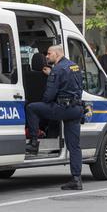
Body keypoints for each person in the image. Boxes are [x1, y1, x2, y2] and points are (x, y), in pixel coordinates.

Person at [25, 45, 85, 190]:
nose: (46, 56)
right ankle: (76, 180)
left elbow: (48, 96)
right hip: (76, 109)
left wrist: (46, 100)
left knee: (32, 108)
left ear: (57, 54)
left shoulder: (57, 70)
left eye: (49, 53)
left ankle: (33, 142)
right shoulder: (74, 66)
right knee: (74, 146)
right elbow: (79, 87)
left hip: (62, 108)